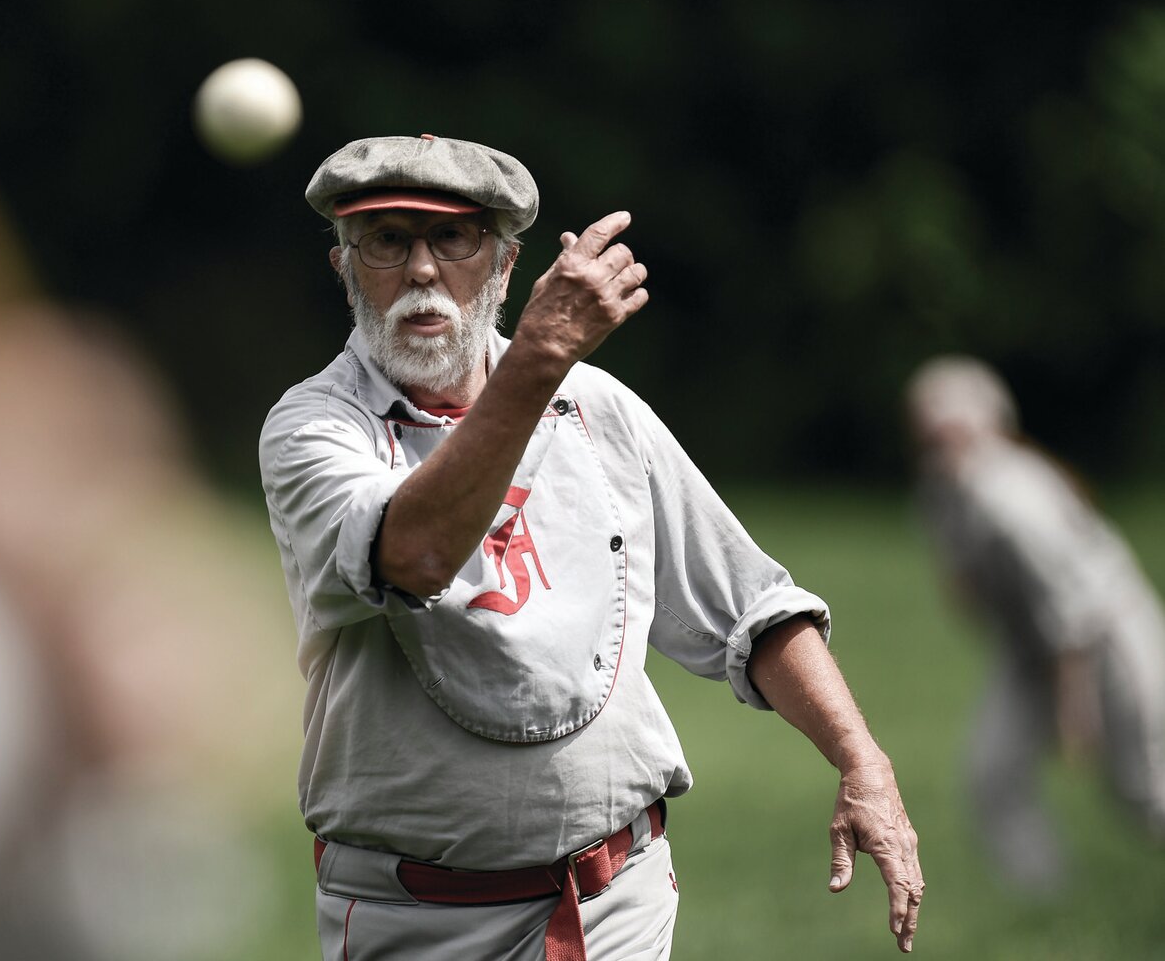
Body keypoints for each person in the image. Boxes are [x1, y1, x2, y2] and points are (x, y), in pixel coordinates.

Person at [259, 133, 924, 960]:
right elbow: (417, 554)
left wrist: (863, 760)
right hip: (417, 921)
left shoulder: (597, 408)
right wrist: (538, 359)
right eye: (386, 241)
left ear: (503, 267)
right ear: (345, 268)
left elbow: (748, 604)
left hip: (617, 899)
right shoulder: (314, 429)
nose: (421, 270)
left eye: (452, 238)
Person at [906, 355, 1165, 894]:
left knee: (1143, 787)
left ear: (990, 423)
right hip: (1030, 649)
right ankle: (1045, 899)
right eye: (929, 429)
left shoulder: (1012, 498)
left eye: (951, 428)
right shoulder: (943, 489)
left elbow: (1073, 610)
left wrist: (1075, 709)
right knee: (993, 773)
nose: (939, 441)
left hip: (1106, 640)